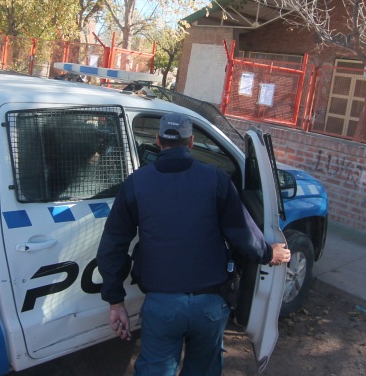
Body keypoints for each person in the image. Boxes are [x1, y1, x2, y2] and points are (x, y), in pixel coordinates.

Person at [96, 112, 290, 376]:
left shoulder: (136, 183)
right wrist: (269, 253)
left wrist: (115, 301)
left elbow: (112, 245)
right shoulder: (217, 180)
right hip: (210, 305)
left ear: (157, 140)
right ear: (191, 143)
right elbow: (242, 234)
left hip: (162, 305)